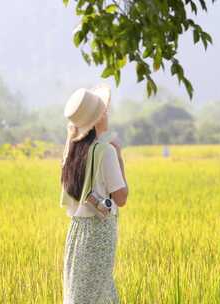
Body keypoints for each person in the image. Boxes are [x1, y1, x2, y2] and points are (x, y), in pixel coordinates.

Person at [59, 84, 129, 304]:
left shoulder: (72, 150)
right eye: (104, 110)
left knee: (85, 293)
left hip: (76, 232)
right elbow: (121, 198)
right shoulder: (106, 152)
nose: (107, 114)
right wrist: (119, 156)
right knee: (97, 296)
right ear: (98, 118)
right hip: (99, 232)